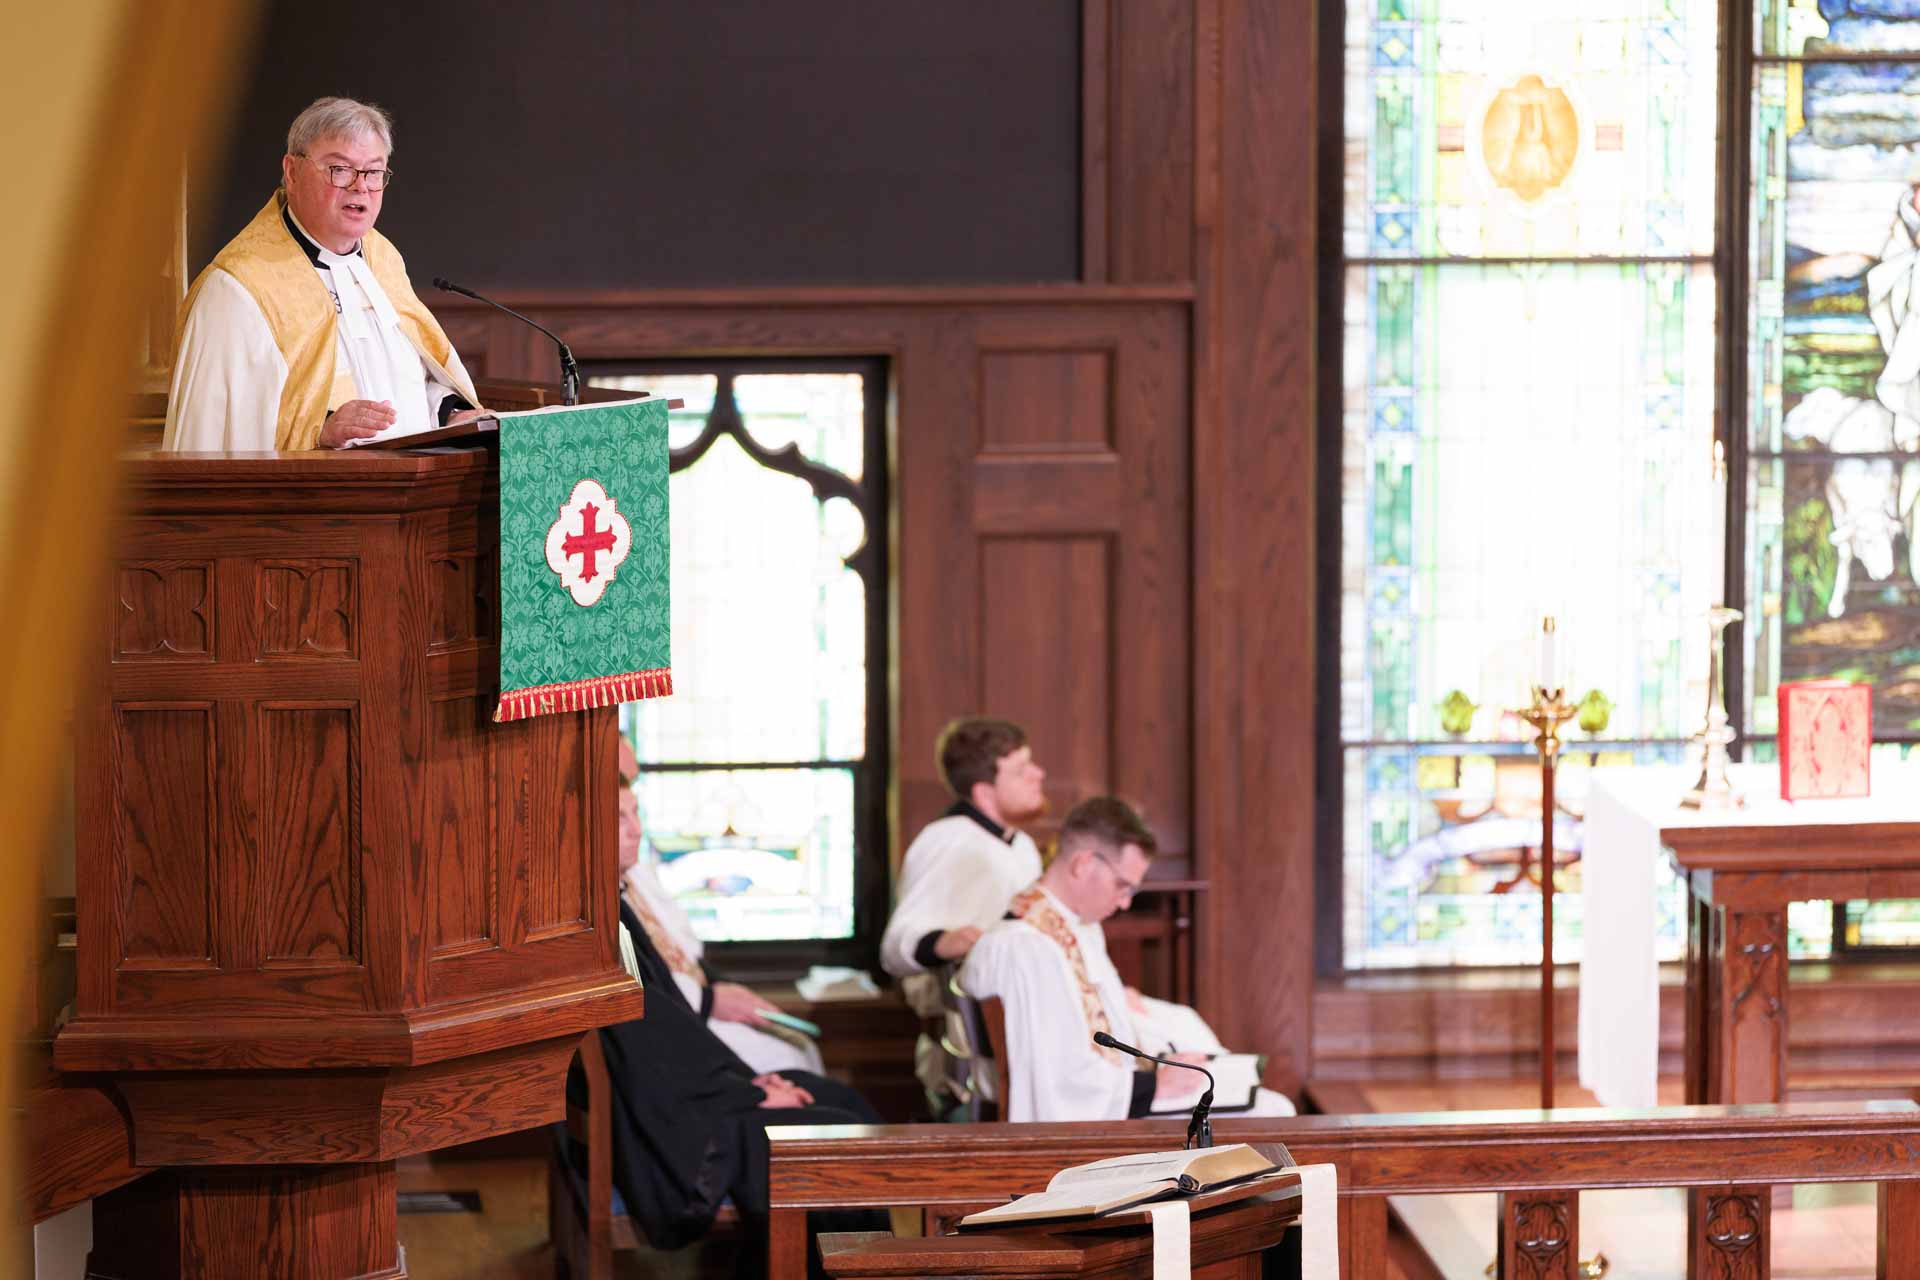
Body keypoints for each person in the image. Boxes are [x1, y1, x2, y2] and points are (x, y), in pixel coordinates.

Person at [592, 751, 882, 1258]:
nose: (635, 830)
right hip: (672, 1128)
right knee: (833, 1140)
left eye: (636, 813)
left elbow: (671, 1025)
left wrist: (746, 1082)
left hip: (691, 1095)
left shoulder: (612, 903)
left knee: (847, 1106)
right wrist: (744, 1096)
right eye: (619, 817)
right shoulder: (595, 925)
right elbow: (643, 1041)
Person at [163, 96, 487, 452]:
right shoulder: (238, 287)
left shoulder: (382, 260)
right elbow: (222, 434)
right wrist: (320, 429)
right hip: (318, 499)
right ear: (292, 172)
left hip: (412, 493)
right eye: (340, 169)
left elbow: (408, 378)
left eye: (374, 171)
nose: (360, 186)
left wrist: (449, 413)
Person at [960, 796, 1294, 1123]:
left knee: (1256, 1097)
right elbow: (1058, 1081)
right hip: (1093, 1113)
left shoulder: (1072, 929)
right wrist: (1154, 1085)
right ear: (1084, 864)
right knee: (1271, 1111)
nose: (1124, 904)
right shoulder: (1028, 948)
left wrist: (1163, 1064)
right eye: (1123, 885)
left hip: (1110, 1094)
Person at [616, 739, 824, 1076]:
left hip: (695, 1001)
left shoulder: (635, 871)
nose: (635, 827)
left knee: (800, 1050)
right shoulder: (603, 890)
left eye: (632, 787)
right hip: (674, 1029)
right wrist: (710, 1001)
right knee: (794, 1065)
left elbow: (682, 950)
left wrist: (720, 991)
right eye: (619, 783)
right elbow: (642, 991)